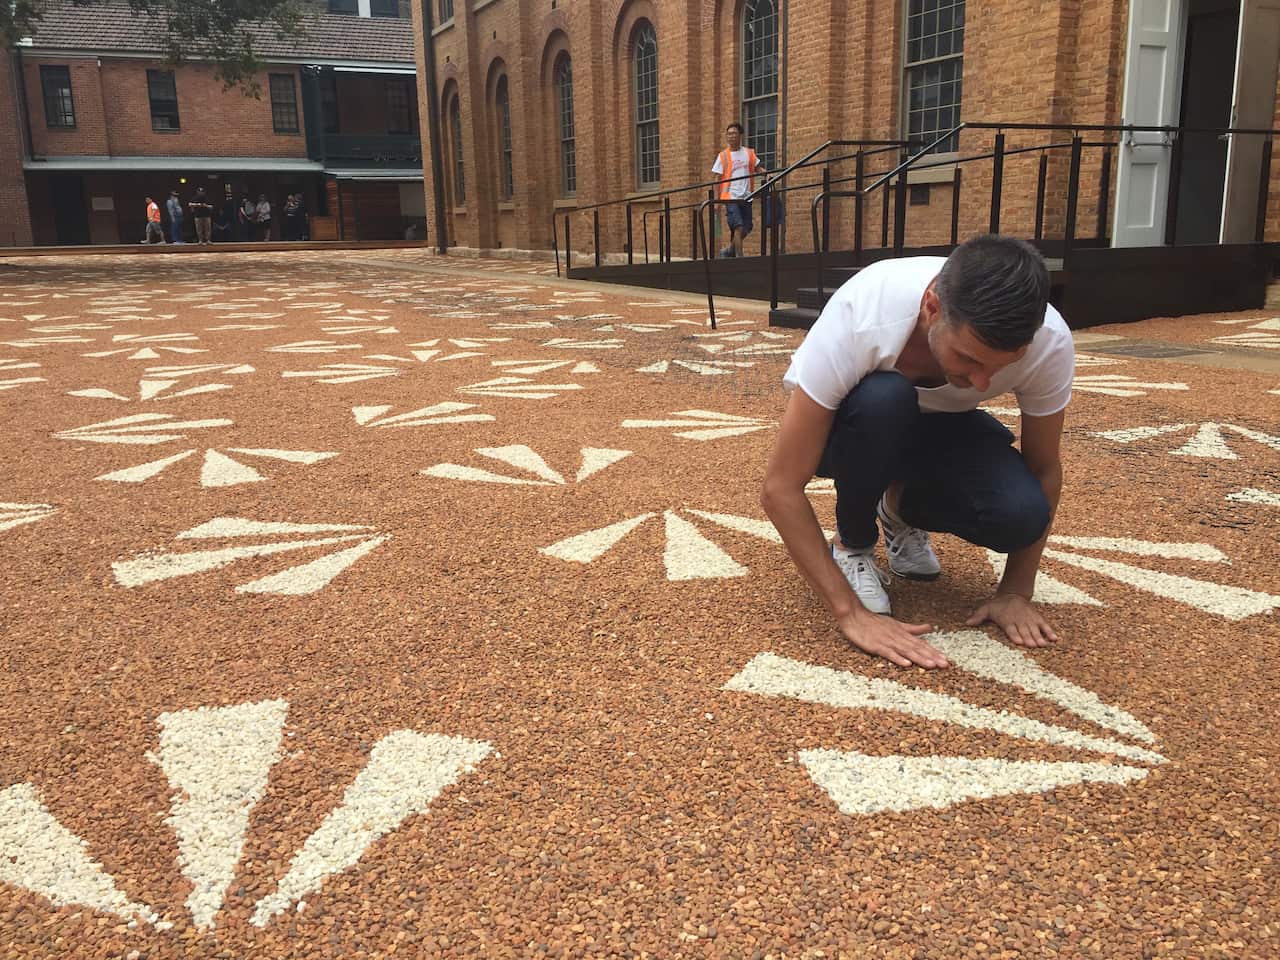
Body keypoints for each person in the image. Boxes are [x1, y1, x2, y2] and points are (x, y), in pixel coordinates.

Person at [760, 235, 1074, 670]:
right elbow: (780, 488)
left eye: (1001, 366)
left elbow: (1044, 468)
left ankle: (898, 508)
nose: (982, 383)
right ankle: (852, 544)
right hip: (856, 428)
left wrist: (1016, 591)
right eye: (969, 358)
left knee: (1019, 514)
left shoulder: (1048, 340)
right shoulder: (863, 312)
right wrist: (850, 614)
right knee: (883, 399)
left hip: (944, 428)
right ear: (932, 307)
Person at [710, 122, 766, 259]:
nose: (731, 136)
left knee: (747, 227)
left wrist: (766, 173)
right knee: (738, 226)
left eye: (734, 133)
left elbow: (757, 168)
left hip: (747, 196)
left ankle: (730, 250)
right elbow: (716, 179)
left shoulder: (748, 153)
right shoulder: (723, 156)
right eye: (729, 134)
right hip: (730, 196)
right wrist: (716, 201)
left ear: (740, 135)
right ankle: (740, 257)